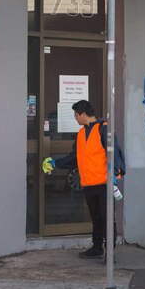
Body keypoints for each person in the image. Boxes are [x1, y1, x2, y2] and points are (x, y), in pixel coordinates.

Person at [44, 100, 125, 259]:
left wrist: (114, 175)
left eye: (76, 115)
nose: (75, 118)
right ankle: (97, 248)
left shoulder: (104, 128)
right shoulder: (81, 134)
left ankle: (110, 253)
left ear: (83, 114)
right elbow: (75, 157)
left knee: (107, 218)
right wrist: (55, 163)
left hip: (104, 183)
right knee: (96, 218)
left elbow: (113, 152)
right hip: (88, 183)